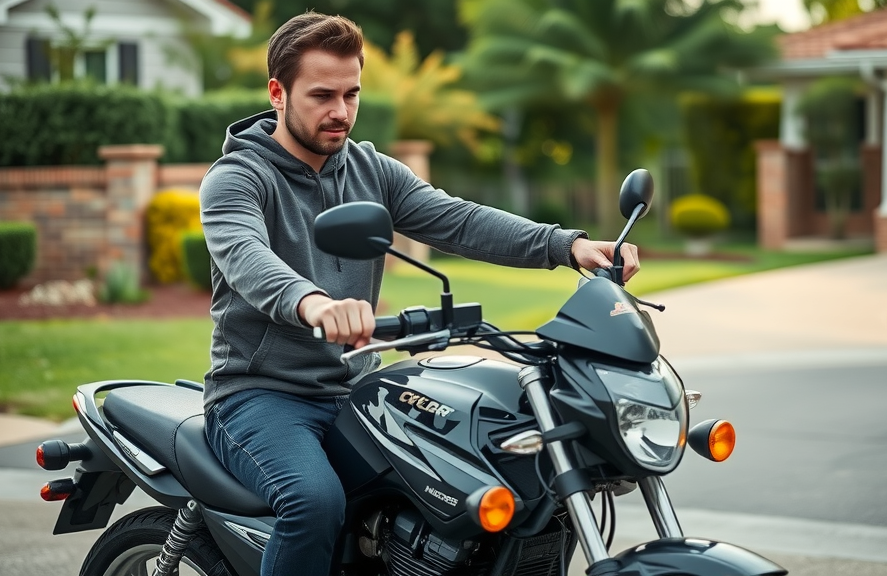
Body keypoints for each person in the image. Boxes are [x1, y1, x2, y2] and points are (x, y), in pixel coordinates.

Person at [199, 11, 640, 576]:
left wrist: (566, 245)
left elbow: (457, 220)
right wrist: (315, 303)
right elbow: (246, 258)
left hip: (357, 384)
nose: (340, 111)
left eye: (352, 93)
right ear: (277, 93)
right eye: (322, 95)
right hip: (260, 396)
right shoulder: (237, 178)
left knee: (491, 472)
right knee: (314, 502)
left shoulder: (370, 169)